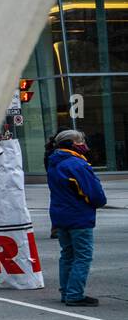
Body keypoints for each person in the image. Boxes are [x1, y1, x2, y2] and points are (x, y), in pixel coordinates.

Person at [46, 129, 107, 306]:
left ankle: (66, 292)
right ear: (73, 144)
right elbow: (95, 194)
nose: (84, 145)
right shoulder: (77, 164)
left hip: (60, 214)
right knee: (82, 256)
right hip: (78, 215)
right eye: (81, 141)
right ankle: (74, 294)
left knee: (67, 255)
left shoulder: (54, 162)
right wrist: (98, 202)